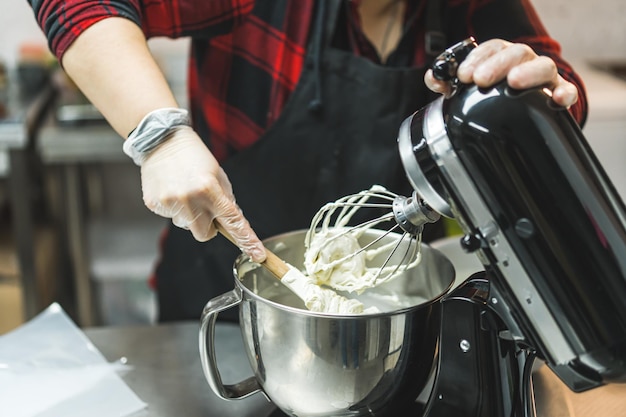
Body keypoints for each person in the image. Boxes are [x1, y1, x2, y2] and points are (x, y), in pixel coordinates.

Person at [27, 0, 587, 322]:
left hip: (386, 311)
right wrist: (159, 137)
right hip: (217, 297)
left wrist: (542, 92)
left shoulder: (466, 7)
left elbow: (559, 86)